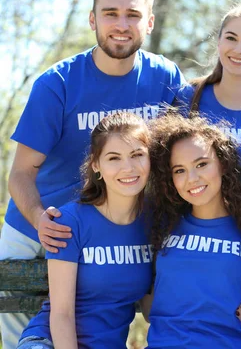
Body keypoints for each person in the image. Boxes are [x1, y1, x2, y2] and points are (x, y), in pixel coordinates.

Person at [0, 0, 185, 349]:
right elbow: (20, 173)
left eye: (133, 15)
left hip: (115, 225)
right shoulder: (58, 83)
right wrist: (40, 221)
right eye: (110, 13)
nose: (122, 24)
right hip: (43, 220)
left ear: (149, 22)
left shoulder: (164, 77)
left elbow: (206, 108)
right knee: (17, 323)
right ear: (92, 20)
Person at [16, 112, 153, 349]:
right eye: (114, 158)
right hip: (50, 342)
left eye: (137, 155)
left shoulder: (154, 224)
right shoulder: (69, 222)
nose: (128, 167)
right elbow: (62, 314)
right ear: (96, 165)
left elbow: (155, 310)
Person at [143, 112, 241, 348]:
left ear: (222, 164)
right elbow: (149, 303)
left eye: (201, 164)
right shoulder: (161, 223)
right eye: (179, 170)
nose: (192, 178)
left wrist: (233, 311)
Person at [178, 4, 241, 198]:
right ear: (219, 42)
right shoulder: (189, 98)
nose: (238, 49)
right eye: (231, 38)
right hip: (197, 224)